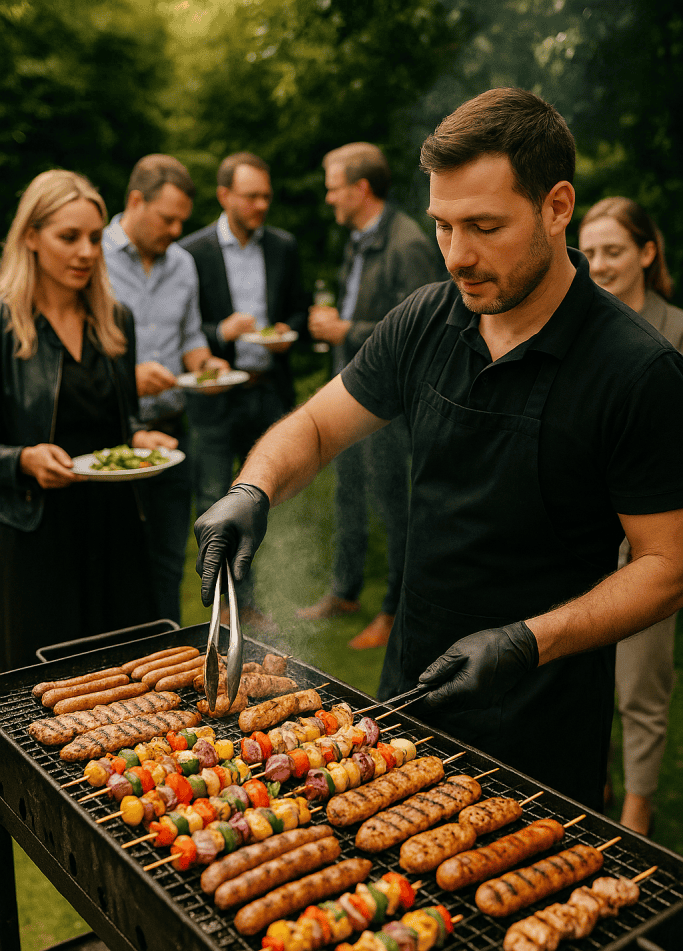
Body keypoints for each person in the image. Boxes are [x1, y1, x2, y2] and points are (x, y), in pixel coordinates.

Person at [193, 88, 683, 812]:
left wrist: (524, 641)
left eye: (484, 226)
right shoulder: (427, 317)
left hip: (539, 726)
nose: (457, 256)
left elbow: (666, 565)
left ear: (556, 206)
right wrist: (253, 489)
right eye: (443, 227)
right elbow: (319, 426)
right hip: (408, 698)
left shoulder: (635, 369)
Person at [0, 169, 175, 671]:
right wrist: (22, 458)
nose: (85, 252)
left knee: (129, 677)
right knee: (44, 690)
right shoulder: (5, 326)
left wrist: (140, 436)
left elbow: (117, 424)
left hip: (116, 529)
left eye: (95, 238)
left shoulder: (115, 321)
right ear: (30, 237)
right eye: (68, 237)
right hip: (38, 536)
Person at [304, 142, 444, 649]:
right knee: (348, 494)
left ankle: (395, 610)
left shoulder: (406, 244)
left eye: (333, 187)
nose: (328, 198)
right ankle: (344, 591)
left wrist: (346, 328)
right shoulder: (359, 239)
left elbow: (423, 328)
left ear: (360, 189)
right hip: (351, 395)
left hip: (391, 406)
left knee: (395, 503)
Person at [579, 196, 683, 834]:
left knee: (640, 682)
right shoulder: (579, 331)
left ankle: (635, 812)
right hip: (580, 533)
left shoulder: (676, 334)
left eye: (613, 251)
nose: (598, 265)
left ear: (647, 253)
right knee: (577, 668)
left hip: (651, 541)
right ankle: (595, 780)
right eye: (587, 253)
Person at [180, 152, 308, 629]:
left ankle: (251, 602)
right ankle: (224, 606)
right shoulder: (191, 253)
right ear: (224, 195)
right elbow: (186, 328)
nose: (261, 205)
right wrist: (221, 333)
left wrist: (283, 329)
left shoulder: (284, 246)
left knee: (261, 498)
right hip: (216, 397)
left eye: (266, 197)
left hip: (270, 392)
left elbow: (297, 314)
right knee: (215, 499)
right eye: (251, 196)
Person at [103, 154, 228, 626]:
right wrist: (128, 379)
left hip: (173, 435)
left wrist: (206, 364)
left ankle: (164, 657)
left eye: (182, 220)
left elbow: (190, 337)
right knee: (115, 566)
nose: (177, 229)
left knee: (169, 562)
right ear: (136, 201)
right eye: (167, 218)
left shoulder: (183, 264)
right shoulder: (87, 256)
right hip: (111, 440)